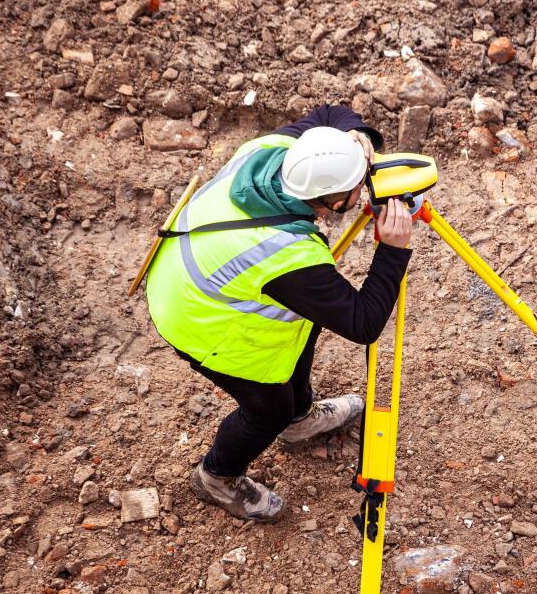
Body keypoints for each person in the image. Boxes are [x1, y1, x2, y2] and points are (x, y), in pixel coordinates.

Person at [144, 105, 413, 522]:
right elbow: (363, 323)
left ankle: (299, 417)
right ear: (336, 199)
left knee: (302, 324)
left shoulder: (277, 150)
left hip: (193, 271)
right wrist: (393, 251)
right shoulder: (284, 255)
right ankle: (217, 476)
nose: (366, 190)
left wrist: (355, 135)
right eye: (360, 185)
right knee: (266, 408)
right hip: (196, 318)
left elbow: (329, 113)